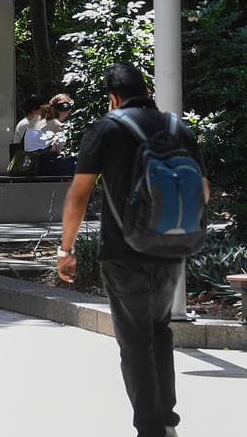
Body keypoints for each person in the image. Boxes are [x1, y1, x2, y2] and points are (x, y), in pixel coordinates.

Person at [55, 64, 208, 437]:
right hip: (172, 248)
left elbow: (79, 195)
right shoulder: (177, 128)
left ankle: (150, 427)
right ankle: (167, 419)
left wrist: (66, 249)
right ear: (147, 90)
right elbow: (202, 191)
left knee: (135, 339)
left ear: (112, 97)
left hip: (123, 251)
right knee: (160, 330)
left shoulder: (108, 128)